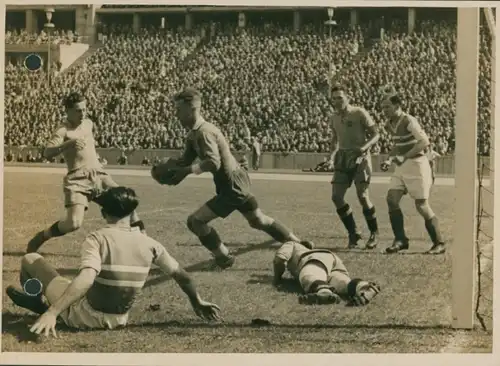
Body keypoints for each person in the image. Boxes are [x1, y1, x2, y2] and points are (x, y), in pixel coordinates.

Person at [6, 186, 221, 337]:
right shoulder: (151, 244)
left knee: (30, 259)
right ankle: (44, 304)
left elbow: (87, 277)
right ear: (131, 212)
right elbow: (183, 276)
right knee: (68, 281)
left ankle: (38, 302)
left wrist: (52, 313)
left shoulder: (98, 238)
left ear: (104, 213)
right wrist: (197, 301)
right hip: (120, 319)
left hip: (86, 316)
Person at [165, 87, 312, 269]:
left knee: (195, 221)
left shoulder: (204, 132)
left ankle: (224, 257)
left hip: (231, 184)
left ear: (192, 108)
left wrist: (186, 171)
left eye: (179, 109)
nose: (176, 114)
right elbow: (185, 161)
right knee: (258, 220)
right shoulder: (194, 133)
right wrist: (169, 168)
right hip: (235, 179)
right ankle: (300, 245)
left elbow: (213, 162)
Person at [25, 92, 145, 254]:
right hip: (77, 180)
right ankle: (43, 236)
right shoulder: (62, 130)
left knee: (127, 203)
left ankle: (144, 242)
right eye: (78, 110)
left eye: (84, 109)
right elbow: (47, 153)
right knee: (73, 223)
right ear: (67, 111)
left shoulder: (88, 124)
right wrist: (69, 143)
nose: (83, 113)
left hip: (99, 176)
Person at [380, 94, 445, 254]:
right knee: (391, 199)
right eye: (383, 107)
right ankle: (401, 240)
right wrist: (389, 160)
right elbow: (397, 145)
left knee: (421, 205)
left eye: (387, 107)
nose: (384, 110)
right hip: (401, 167)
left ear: (397, 106)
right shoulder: (389, 124)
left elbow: (424, 142)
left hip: (417, 165)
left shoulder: (409, 120)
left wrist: (404, 156)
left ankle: (439, 243)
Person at [326, 85, 381, 249]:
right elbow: (334, 138)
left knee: (363, 196)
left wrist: (364, 148)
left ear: (347, 98)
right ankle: (354, 233)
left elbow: (376, 134)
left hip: (360, 158)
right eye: (334, 98)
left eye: (340, 98)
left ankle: (374, 233)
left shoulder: (359, 113)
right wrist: (331, 156)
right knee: (336, 197)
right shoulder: (333, 117)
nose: (337, 101)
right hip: (342, 158)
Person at [273, 241, 381, 306]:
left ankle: (324, 293)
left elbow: (279, 259)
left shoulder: (292, 244)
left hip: (314, 258)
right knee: (342, 283)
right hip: (332, 259)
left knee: (309, 276)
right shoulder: (308, 249)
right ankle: (364, 287)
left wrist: (277, 278)